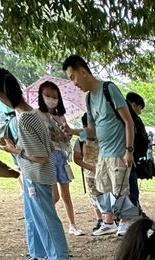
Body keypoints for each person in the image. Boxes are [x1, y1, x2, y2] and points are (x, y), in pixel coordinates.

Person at [0, 68, 74, 260]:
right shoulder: (30, 115)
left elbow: (42, 157)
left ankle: (60, 256)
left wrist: (13, 150)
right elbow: (47, 148)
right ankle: (39, 253)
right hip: (30, 175)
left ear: (1, 95)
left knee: (45, 215)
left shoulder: (26, 118)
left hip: (38, 175)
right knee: (32, 215)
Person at [63, 55, 135, 238]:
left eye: (73, 77)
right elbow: (92, 131)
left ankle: (130, 224)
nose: (74, 83)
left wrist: (129, 151)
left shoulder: (109, 89)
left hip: (119, 153)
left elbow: (129, 121)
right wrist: (72, 131)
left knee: (121, 192)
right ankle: (111, 222)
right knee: (102, 190)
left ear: (83, 72)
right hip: (103, 155)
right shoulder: (89, 99)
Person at [37, 80, 84, 236]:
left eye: (54, 96)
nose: (51, 98)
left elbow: (65, 140)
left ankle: (73, 225)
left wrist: (67, 134)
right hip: (48, 157)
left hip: (61, 157)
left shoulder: (61, 117)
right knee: (53, 195)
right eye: (48, 95)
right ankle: (48, 223)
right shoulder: (37, 115)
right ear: (41, 96)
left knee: (66, 194)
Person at [72, 113, 102, 233]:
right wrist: (90, 167)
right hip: (90, 174)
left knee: (107, 195)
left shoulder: (102, 138)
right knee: (94, 197)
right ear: (84, 126)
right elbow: (77, 158)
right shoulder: (80, 141)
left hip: (105, 173)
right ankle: (100, 219)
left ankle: (111, 218)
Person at [124, 91, 150, 219]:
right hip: (128, 159)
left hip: (135, 159)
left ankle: (135, 212)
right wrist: (129, 153)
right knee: (130, 191)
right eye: (140, 108)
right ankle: (131, 219)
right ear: (134, 104)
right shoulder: (126, 118)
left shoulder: (134, 119)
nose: (140, 111)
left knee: (133, 190)